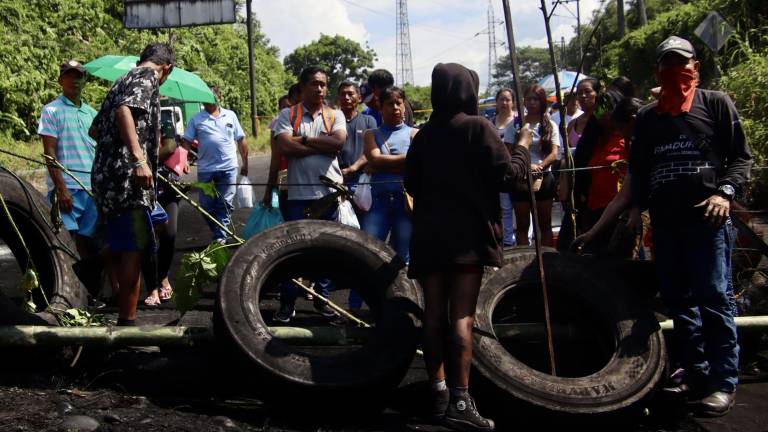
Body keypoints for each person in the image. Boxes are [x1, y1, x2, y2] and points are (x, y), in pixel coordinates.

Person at [405, 62, 533, 431]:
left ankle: (438, 393)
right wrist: (522, 146)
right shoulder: (479, 127)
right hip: (467, 239)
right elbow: (508, 177)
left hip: (430, 237)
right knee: (461, 317)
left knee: (433, 316)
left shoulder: (425, 136)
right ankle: (461, 404)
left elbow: (411, 183)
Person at [630, 36, 752, 416]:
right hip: (666, 223)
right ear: (657, 70)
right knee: (680, 302)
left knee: (714, 297)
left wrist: (724, 194)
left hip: (707, 220)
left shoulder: (716, 103)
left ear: (695, 67)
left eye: (681, 63)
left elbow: (741, 158)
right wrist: (636, 210)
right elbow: (640, 168)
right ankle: (695, 372)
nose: (675, 70)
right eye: (667, 63)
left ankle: (723, 381)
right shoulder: (649, 117)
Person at [90, 42, 175, 326]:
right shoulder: (147, 76)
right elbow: (124, 111)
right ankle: (127, 325)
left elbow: (95, 129)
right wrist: (138, 158)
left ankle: (92, 261)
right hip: (128, 179)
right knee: (134, 249)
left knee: (157, 224)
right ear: (166, 69)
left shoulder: (121, 79)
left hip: (107, 176)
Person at [273, 66, 347, 323]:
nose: (320, 89)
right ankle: (287, 303)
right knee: (293, 252)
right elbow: (284, 146)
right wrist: (319, 144)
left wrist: (301, 140)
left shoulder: (335, 114)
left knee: (326, 251)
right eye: (315, 84)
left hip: (328, 195)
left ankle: (322, 300)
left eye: (323, 85)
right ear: (302, 86)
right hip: (298, 197)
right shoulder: (287, 114)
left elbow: (338, 144)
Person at [38, 61, 99, 261]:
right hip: (67, 188)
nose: (75, 80)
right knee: (65, 242)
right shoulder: (51, 110)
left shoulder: (92, 113)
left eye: (79, 76)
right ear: (60, 81)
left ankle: (90, 290)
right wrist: (61, 188)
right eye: (70, 76)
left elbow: (100, 151)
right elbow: (49, 152)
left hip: (92, 189)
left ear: (85, 81)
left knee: (89, 243)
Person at [182, 86, 248, 243]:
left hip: (229, 168)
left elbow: (241, 139)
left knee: (225, 204)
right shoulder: (196, 119)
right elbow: (186, 142)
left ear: (219, 98)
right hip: (206, 169)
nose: (207, 101)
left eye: (211, 97)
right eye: (204, 97)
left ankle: (220, 237)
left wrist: (246, 162)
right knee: (206, 206)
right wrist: (183, 159)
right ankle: (219, 232)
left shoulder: (230, 115)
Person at [570, 88, 628, 254]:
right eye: (599, 108)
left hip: (620, 212)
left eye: (607, 107)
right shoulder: (592, 140)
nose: (602, 113)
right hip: (595, 211)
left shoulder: (627, 137)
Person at [362, 86, 417, 260]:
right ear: (380, 107)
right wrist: (407, 159)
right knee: (368, 251)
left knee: (403, 256)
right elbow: (374, 160)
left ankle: (404, 289)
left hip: (406, 203)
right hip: (379, 203)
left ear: (404, 105)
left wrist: (380, 165)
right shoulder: (371, 134)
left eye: (398, 103)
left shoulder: (415, 134)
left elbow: (418, 164)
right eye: (389, 104)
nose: (395, 108)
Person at [504, 84, 560, 247]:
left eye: (535, 99)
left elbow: (554, 154)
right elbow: (508, 152)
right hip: (520, 180)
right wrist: (527, 166)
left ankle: (547, 258)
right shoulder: (514, 126)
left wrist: (539, 166)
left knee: (544, 223)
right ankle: (525, 258)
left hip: (544, 178)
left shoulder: (550, 125)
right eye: (528, 99)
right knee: (522, 225)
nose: (531, 102)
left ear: (542, 101)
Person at [491, 88, 519, 247]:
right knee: (505, 207)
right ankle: (508, 240)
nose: (504, 103)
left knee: (520, 206)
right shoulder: (491, 122)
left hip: (517, 167)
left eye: (507, 100)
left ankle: (526, 239)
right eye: (501, 99)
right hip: (500, 171)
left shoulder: (518, 121)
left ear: (513, 102)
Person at [263, 94, 292, 210]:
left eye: (288, 106)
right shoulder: (276, 122)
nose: (285, 109)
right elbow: (275, 156)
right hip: (282, 171)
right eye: (283, 107)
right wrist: (269, 189)